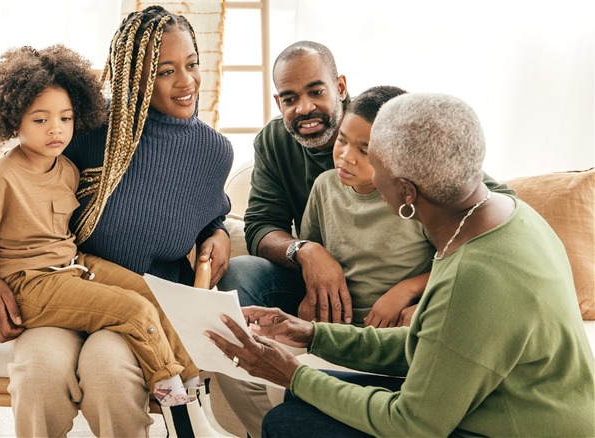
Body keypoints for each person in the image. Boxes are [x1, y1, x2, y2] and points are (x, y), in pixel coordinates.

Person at [206, 92, 595, 437]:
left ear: (406, 191)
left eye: (374, 164)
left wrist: (293, 372)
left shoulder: (474, 274)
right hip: (495, 400)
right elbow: (432, 344)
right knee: (300, 399)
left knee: (287, 423)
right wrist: (311, 334)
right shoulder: (503, 216)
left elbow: (414, 424)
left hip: (520, 425)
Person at [215, 40, 514, 437]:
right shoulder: (286, 152)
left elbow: (489, 204)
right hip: (325, 282)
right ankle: (267, 418)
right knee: (240, 275)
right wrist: (307, 253)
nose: (303, 108)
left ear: (340, 86)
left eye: (315, 91)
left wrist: (419, 293)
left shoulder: (389, 123)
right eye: (290, 98)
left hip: (403, 298)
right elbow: (260, 226)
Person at [0, 7, 233, 437]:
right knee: (39, 378)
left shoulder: (212, 153)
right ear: (133, 76)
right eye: (166, 71)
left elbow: (206, 209)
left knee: (109, 376)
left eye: (192, 64)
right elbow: (9, 200)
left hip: (143, 300)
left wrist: (216, 229)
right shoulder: (83, 129)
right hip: (56, 287)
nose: (187, 82)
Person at [299, 85, 432, 329]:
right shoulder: (324, 186)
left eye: (364, 150)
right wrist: (310, 294)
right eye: (341, 140)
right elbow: (311, 255)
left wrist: (409, 290)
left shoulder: (418, 198)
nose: (346, 157)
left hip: (395, 328)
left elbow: (455, 263)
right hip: (335, 326)